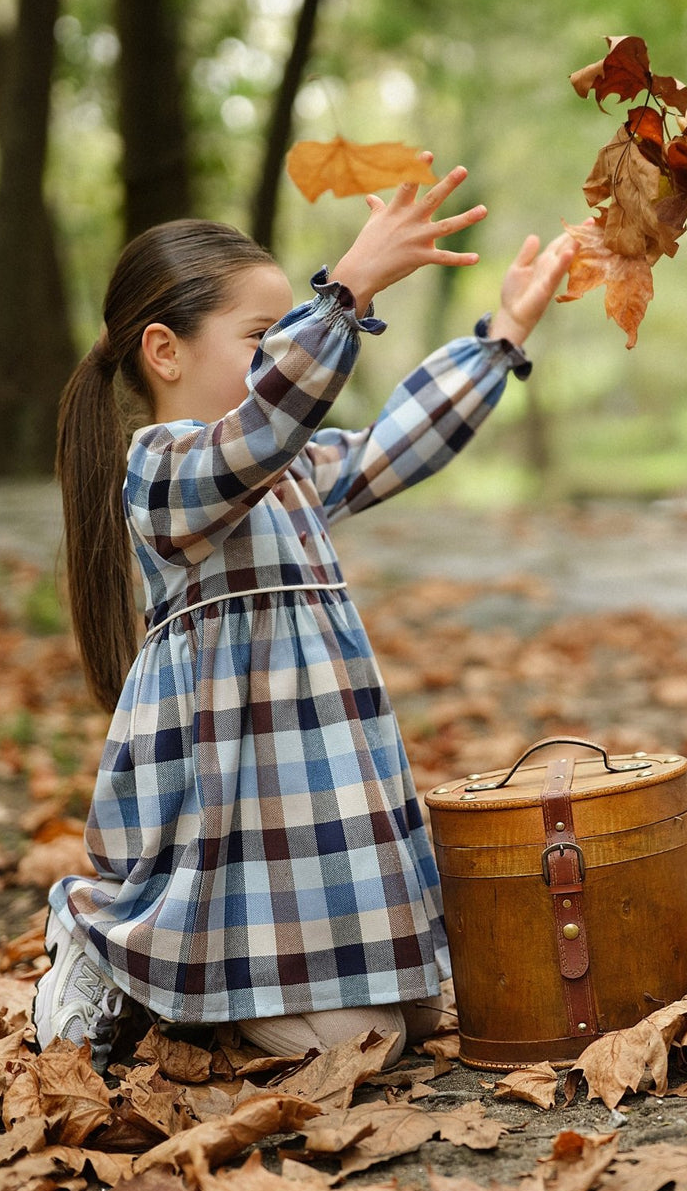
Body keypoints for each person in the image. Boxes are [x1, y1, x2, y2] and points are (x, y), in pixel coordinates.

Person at [34, 161, 576, 1073]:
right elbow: (264, 426)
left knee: (409, 1014)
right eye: (261, 334)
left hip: (321, 801)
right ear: (165, 352)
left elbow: (396, 443)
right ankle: (106, 947)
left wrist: (502, 337)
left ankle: (243, 984)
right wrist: (348, 290)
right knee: (359, 1041)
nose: (284, 350)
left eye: (289, 332)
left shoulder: (289, 471)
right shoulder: (163, 472)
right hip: (235, 811)